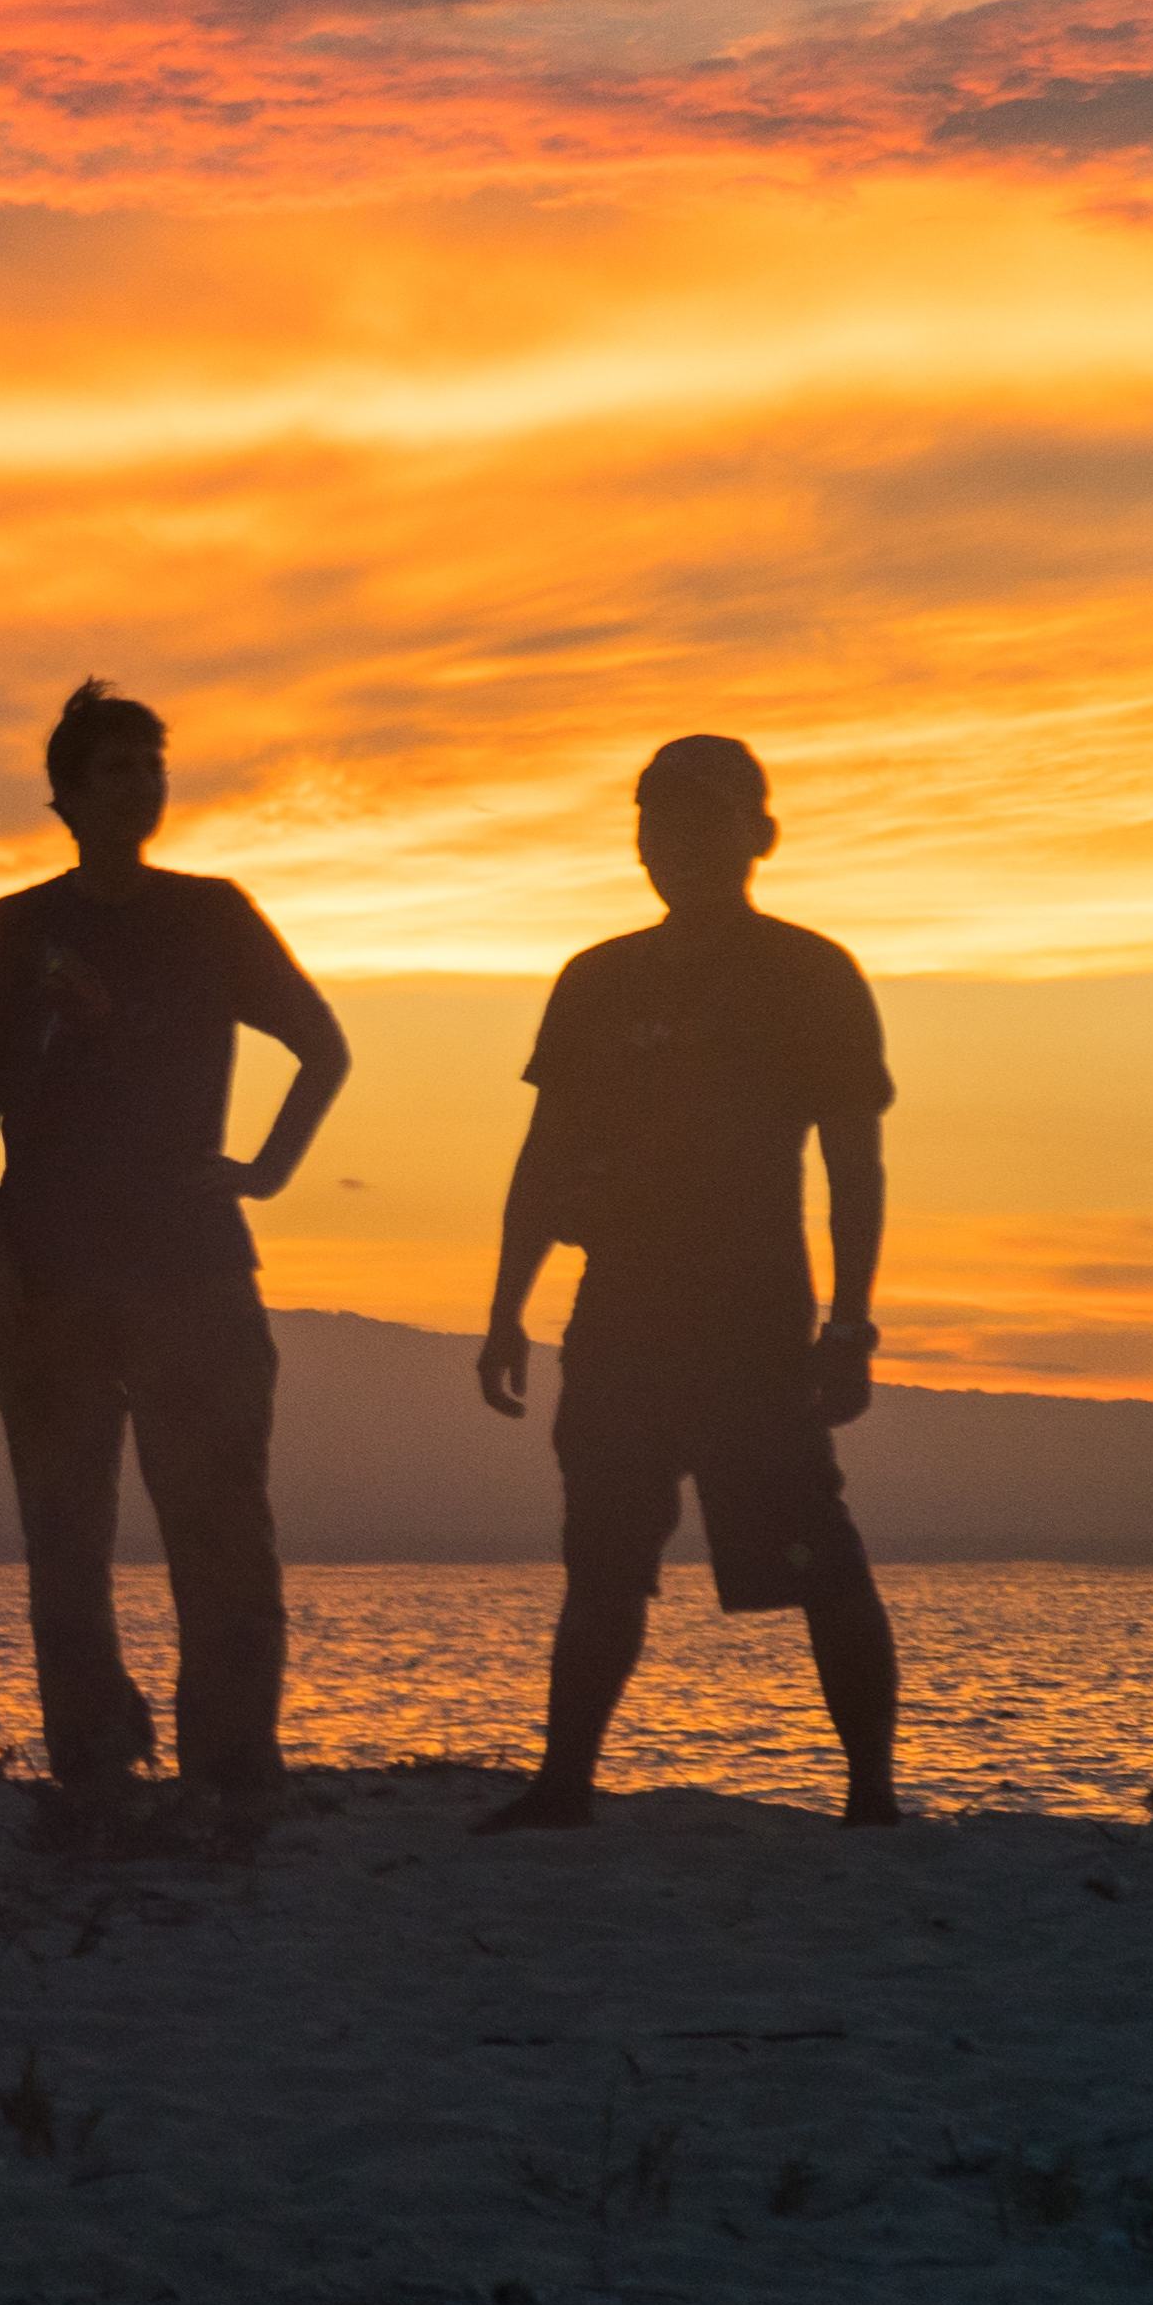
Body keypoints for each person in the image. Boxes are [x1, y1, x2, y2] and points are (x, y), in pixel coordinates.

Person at [471, 734, 905, 1831]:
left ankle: (869, 1796)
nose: (674, 842)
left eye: (701, 819)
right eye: (655, 819)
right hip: (617, 1310)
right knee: (601, 1558)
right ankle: (562, 1782)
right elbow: (544, 1148)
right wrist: (502, 1308)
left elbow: (851, 1164)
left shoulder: (807, 974)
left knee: (815, 1550)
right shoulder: (597, 979)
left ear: (755, 835)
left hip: (751, 1316)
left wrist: (849, 1326)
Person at [0, 680, 350, 1790]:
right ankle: (90, 1752)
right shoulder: (17, 929)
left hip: (191, 1270)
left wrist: (266, 1170)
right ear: (66, 795)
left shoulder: (209, 915)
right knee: (64, 1541)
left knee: (219, 1527)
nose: (139, 786)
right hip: (47, 1275)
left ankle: (228, 1758)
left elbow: (320, 1045)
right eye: (115, 769)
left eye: (150, 766)